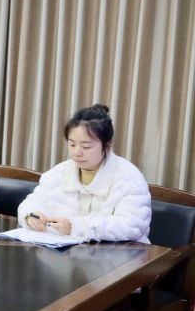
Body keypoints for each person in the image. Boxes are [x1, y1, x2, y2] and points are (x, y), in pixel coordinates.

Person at [18, 104, 151, 243]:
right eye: (72, 144)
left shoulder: (129, 178)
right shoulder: (58, 173)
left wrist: (76, 227)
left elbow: (131, 226)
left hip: (120, 253)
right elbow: (33, 202)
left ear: (108, 144)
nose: (77, 152)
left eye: (86, 146)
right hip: (64, 251)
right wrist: (31, 215)